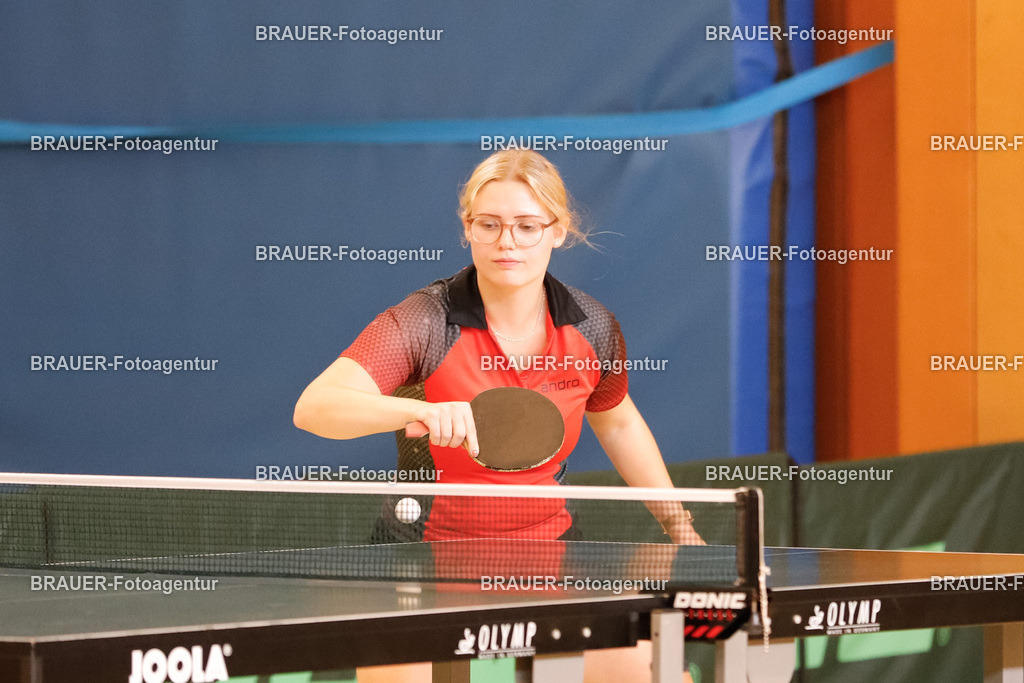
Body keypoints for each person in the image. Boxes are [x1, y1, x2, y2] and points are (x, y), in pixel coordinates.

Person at [294, 149, 701, 546]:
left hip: (552, 546)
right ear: (468, 228)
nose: (507, 242)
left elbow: (618, 423)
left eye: (527, 226)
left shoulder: (591, 327)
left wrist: (676, 523)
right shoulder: (426, 320)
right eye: (489, 225)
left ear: (557, 230)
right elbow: (314, 408)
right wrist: (421, 411)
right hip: (421, 552)